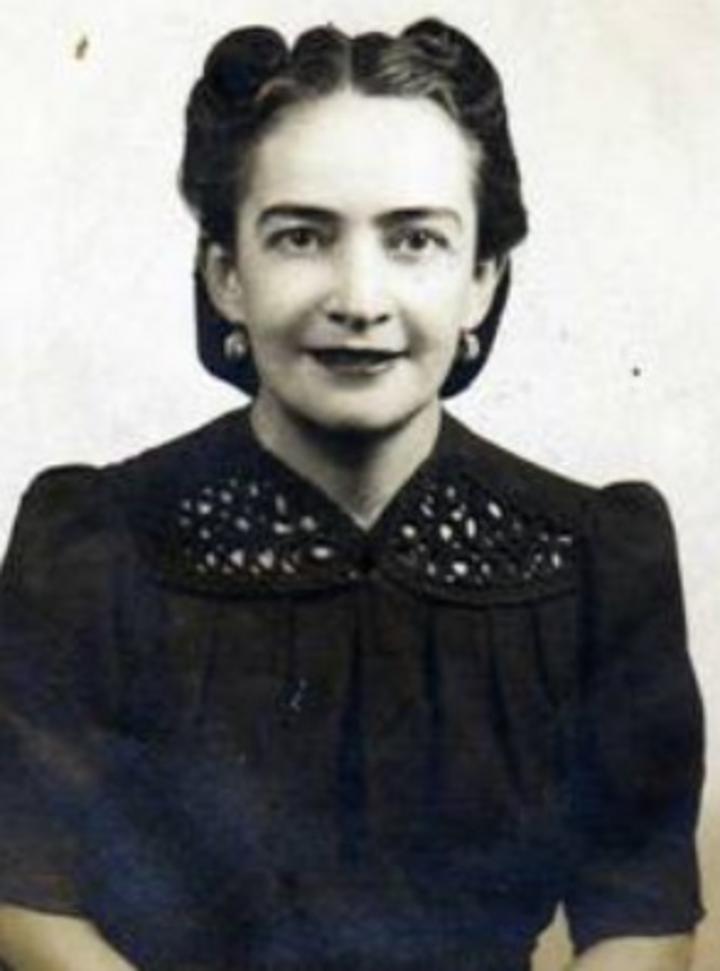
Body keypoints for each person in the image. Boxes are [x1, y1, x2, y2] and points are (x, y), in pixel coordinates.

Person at [0, 18, 705, 971]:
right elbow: (27, 906)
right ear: (227, 274)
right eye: (301, 236)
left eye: (415, 240)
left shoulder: (594, 561)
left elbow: (641, 922)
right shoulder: (93, 544)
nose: (360, 298)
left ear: (481, 280)